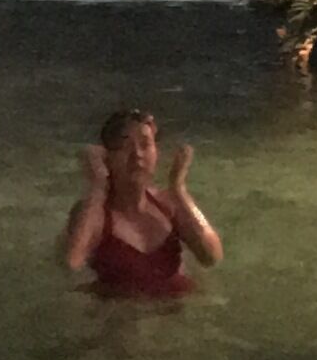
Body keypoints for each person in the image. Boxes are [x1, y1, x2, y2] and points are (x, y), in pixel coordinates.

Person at [62, 107, 220, 298]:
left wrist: (178, 188)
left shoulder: (169, 205)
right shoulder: (96, 213)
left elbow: (211, 256)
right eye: (125, 147)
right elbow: (71, 262)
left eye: (145, 145)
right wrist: (98, 185)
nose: (137, 154)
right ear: (107, 158)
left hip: (175, 312)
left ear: (156, 152)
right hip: (122, 318)